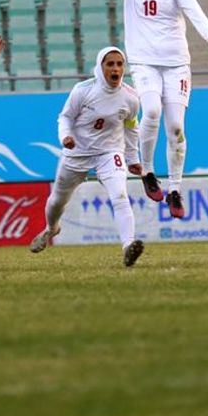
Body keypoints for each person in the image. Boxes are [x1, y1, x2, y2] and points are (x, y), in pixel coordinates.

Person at [91, 0, 208, 219]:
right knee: (150, 111)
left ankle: (175, 188)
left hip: (177, 64)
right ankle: (148, 171)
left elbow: (193, 11)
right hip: (144, 63)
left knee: (176, 127)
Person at [29, 46, 147, 268]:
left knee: (120, 196)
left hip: (109, 153)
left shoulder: (131, 98)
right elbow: (65, 118)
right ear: (100, 67)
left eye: (119, 64)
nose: (115, 69)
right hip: (77, 153)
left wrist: (133, 159)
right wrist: (65, 137)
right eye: (110, 64)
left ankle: (128, 246)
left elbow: (132, 127)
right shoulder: (82, 90)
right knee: (56, 201)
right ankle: (51, 228)